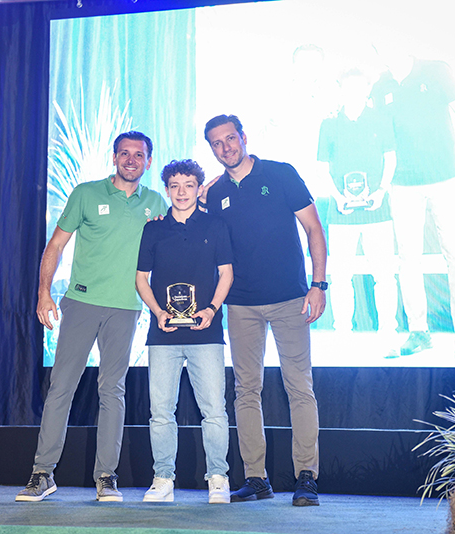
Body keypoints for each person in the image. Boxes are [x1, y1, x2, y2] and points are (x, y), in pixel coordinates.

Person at [16, 131, 168, 503]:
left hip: (126, 308)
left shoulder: (156, 202)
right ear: (114, 157)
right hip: (81, 303)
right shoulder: (86, 193)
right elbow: (56, 244)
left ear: (148, 161)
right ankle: (42, 473)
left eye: (139, 155)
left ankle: (106, 477)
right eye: (124, 153)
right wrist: (43, 293)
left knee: (112, 391)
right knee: (61, 388)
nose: (131, 160)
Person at [202, 114, 328, 507]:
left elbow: (314, 229)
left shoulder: (280, 173)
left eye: (230, 138)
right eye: (217, 143)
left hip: (290, 299)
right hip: (241, 305)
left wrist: (319, 285)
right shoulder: (215, 193)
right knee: (246, 391)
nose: (225, 148)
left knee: (299, 387)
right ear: (211, 149)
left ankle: (306, 477)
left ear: (243, 137)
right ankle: (256, 479)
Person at [135, 159, 234, 504]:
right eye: (175, 186)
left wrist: (211, 309)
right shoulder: (153, 230)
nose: (181, 192)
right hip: (163, 334)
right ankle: (163, 479)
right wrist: (158, 312)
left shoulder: (215, 225)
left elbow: (226, 274)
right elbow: (141, 279)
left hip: (206, 332)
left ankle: (218, 478)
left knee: (214, 410)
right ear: (166, 190)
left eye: (189, 185)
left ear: (199, 188)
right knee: (161, 412)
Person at [370, 45, 455, 361]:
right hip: (402, 184)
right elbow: (379, 136)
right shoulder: (380, 86)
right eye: (377, 42)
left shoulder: (436, 70)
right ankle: (419, 331)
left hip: (445, 178)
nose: (384, 46)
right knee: (408, 260)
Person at [317, 68, 399, 355]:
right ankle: (343, 335)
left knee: (385, 276)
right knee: (340, 277)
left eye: (359, 87)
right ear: (340, 90)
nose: (353, 93)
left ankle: (388, 334)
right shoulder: (329, 124)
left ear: (367, 90)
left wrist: (381, 191)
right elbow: (322, 167)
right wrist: (338, 197)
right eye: (348, 87)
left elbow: (390, 158)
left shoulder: (381, 120)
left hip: (377, 209)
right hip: (341, 213)